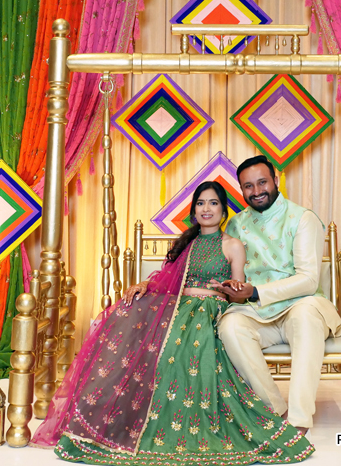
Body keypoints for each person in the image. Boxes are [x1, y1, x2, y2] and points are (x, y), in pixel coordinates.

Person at [31, 180, 314, 465]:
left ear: (224, 211)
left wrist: (231, 290)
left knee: (187, 349)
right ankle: (110, 417)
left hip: (210, 309)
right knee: (128, 317)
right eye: (201, 203)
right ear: (193, 211)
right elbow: (167, 279)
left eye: (213, 203)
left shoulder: (233, 245)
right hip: (177, 305)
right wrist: (144, 285)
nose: (207, 208)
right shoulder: (186, 244)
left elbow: (238, 296)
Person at [213, 156, 341, 435]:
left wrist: (257, 291)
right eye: (248, 186)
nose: (257, 190)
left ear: (276, 180)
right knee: (230, 326)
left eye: (262, 182)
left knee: (306, 317)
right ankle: (275, 410)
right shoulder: (235, 225)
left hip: (300, 304)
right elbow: (234, 274)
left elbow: (308, 280)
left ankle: (298, 419)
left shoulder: (302, 218)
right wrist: (232, 291)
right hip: (257, 311)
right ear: (241, 190)